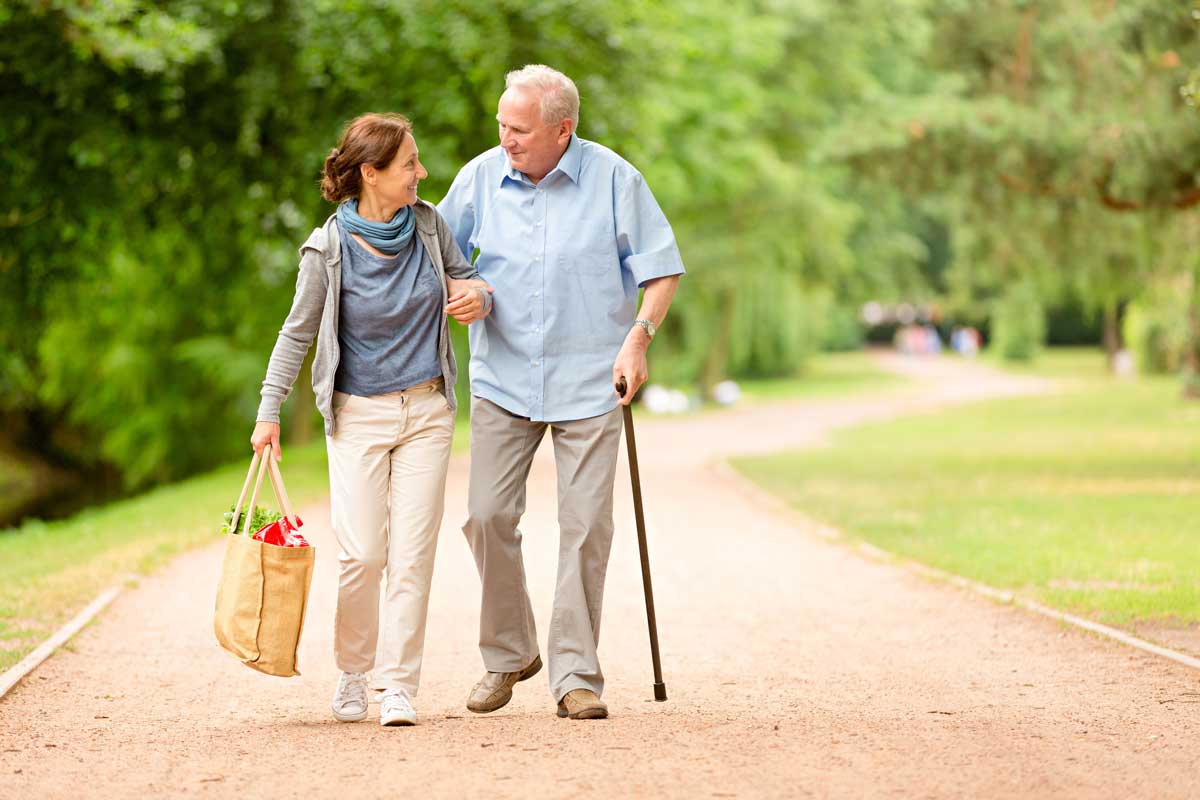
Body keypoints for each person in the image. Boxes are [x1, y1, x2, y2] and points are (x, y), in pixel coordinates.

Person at [439, 65, 684, 720]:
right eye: (501, 125)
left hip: (590, 379)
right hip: (504, 376)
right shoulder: (479, 178)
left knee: (585, 527)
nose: (505, 139)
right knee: (486, 515)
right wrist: (467, 291)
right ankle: (510, 652)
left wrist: (638, 338)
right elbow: (440, 257)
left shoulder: (613, 180)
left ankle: (575, 675)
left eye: (518, 129)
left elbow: (661, 270)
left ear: (562, 130)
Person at [251, 113, 492, 727]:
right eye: (410, 164)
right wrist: (268, 411)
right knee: (362, 554)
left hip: (427, 411)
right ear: (370, 172)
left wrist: (477, 296)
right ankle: (354, 673)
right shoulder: (326, 249)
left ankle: (397, 686)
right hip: (357, 415)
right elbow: (296, 332)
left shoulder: (430, 226)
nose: (422, 173)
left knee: (413, 554)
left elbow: (468, 279)